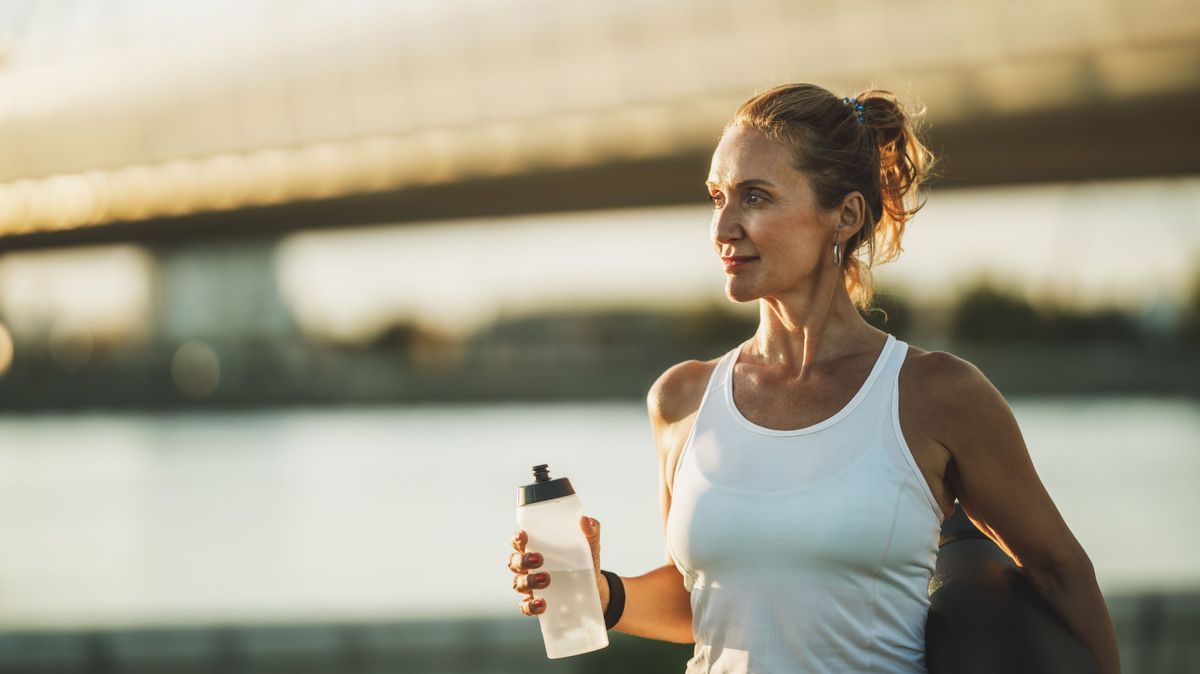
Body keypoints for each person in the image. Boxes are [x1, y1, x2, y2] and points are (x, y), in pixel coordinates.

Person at [508, 82, 1120, 673]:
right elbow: (705, 602)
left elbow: (1059, 571)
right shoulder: (682, 399)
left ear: (845, 215)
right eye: (717, 196)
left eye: (755, 197)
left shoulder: (936, 396)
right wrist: (601, 591)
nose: (723, 228)